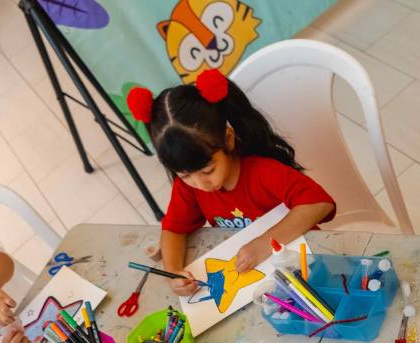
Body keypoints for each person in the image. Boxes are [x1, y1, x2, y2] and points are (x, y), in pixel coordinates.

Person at [126, 68, 336, 296]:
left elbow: (319, 203)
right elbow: (173, 230)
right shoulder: (188, 187)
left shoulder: (263, 172)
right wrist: (174, 272)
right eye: (185, 175)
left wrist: (265, 243)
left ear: (228, 138)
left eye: (208, 170)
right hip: (259, 282)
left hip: (308, 266)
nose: (201, 184)